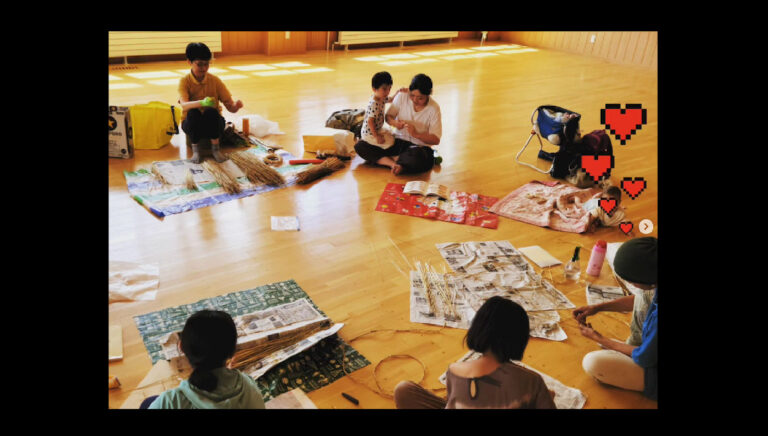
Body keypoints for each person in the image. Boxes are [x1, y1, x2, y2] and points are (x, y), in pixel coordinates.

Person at [393, 296, 556, 409]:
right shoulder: (532, 381)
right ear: (520, 340)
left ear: (477, 330)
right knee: (544, 395)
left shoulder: (455, 371)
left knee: (404, 390)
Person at [572, 236, 657, 401]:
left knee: (593, 362)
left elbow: (644, 357)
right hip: (649, 351)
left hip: (652, 366)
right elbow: (639, 299)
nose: (630, 283)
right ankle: (627, 349)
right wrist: (597, 307)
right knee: (644, 295)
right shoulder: (653, 282)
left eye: (632, 281)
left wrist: (600, 338)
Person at [141, 309, 266, 409]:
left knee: (148, 403)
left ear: (181, 347)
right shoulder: (248, 385)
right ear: (233, 351)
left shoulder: (170, 401)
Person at [355, 73, 442, 175]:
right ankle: (394, 164)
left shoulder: (434, 108)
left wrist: (416, 134)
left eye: (420, 98)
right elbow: (388, 116)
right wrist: (395, 123)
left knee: (419, 157)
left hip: (417, 147)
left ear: (428, 94)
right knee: (360, 145)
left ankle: (386, 159)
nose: (415, 100)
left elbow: (436, 140)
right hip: (396, 143)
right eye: (412, 95)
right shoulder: (403, 96)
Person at [178, 42, 244, 164]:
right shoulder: (184, 81)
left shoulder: (215, 81)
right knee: (193, 113)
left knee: (211, 112)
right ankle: (196, 151)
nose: (203, 68)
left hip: (213, 123)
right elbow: (184, 105)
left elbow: (230, 106)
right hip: (192, 124)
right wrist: (202, 103)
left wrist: (236, 107)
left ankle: (215, 149)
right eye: (199, 64)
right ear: (189, 62)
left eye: (207, 64)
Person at [359, 71, 408, 151]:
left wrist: (398, 93)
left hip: (377, 128)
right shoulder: (374, 104)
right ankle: (368, 145)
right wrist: (376, 136)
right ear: (374, 89)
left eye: (389, 88)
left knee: (391, 134)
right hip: (370, 133)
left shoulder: (381, 97)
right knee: (390, 143)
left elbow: (391, 99)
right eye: (384, 89)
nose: (388, 92)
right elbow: (370, 121)